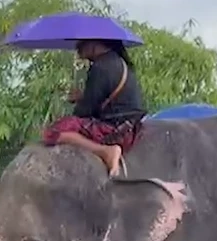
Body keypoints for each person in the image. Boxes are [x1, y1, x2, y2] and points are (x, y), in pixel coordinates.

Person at [41, 38, 145, 175]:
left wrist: (77, 108)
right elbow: (111, 99)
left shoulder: (100, 67)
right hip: (130, 129)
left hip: (114, 132)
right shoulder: (120, 62)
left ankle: (105, 151)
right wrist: (82, 97)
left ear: (95, 44)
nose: (78, 48)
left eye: (82, 44)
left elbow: (84, 112)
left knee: (55, 131)